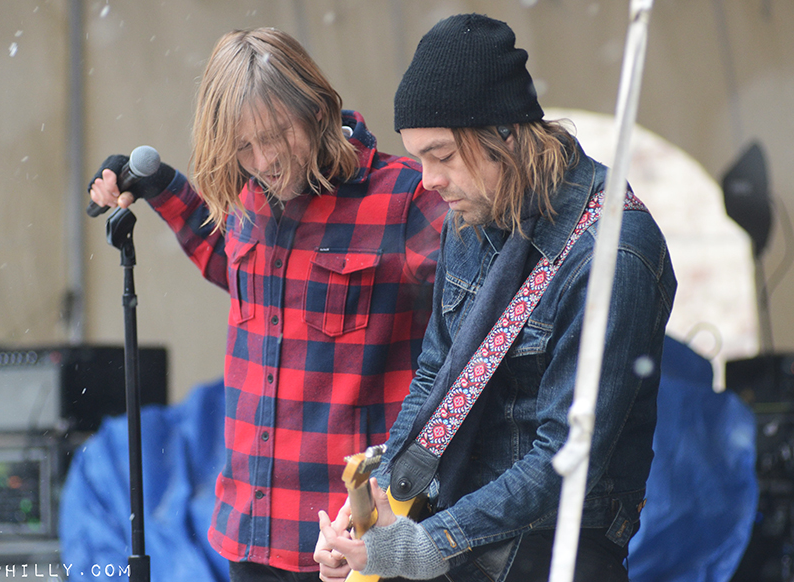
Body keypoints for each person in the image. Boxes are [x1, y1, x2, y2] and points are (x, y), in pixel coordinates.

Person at [315, 13, 677, 582]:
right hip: (458, 529)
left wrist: (425, 545)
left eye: (442, 155)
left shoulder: (613, 253)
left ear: (504, 135)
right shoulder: (472, 212)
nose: (428, 180)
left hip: (551, 554)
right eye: (418, 158)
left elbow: (564, 457)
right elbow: (435, 375)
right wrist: (379, 508)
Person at [88, 27, 447, 582]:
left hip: (354, 541)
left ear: (317, 110)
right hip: (249, 535)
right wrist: (159, 184)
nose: (266, 160)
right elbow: (229, 263)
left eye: (279, 136)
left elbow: (489, 307)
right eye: (244, 147)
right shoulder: (249, 194)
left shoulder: (405, 198)